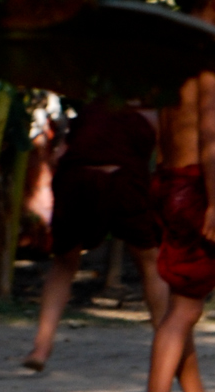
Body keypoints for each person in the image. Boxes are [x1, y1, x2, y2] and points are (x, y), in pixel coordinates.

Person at [136, 0, 215, 392]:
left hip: (169, 181)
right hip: (195, 188)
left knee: (184, 304)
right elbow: (211, 138)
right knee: (183, 311)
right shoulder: (208, 58)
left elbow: (163, 128)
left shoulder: (168, 52)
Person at [24, 102, 165, 372]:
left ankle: (41, 346)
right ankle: (169, 337)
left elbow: (59, 155)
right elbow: (163, 161)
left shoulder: (91, 107)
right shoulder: (154, 112)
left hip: (76, 179)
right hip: (124, 180)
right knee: (149, 262)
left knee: (64, 262)